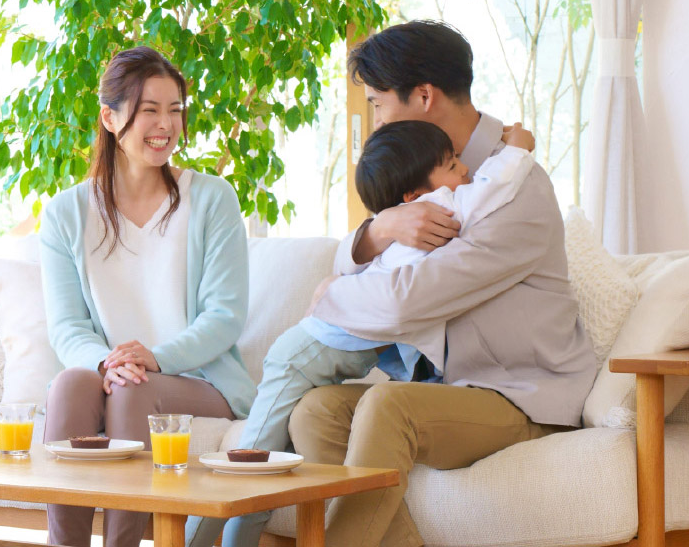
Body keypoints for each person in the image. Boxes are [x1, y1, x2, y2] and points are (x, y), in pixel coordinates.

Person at [183, 117, 536, 546]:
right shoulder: (438, 208)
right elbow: (492, 187)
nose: (465, 170)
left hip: (308, 351)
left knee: (258, 465)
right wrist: (517, 147)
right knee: (248, 468)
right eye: (451, 164)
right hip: (300, 357)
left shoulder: (412, 220)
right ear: (413, 197)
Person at [37, 46, 257, 547]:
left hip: (199, 380)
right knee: (70, 384)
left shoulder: (212, 199)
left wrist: (153, 358)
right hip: (112, 376)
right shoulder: (66, 213)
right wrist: (106, 364)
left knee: (134, 389)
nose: (166, 125)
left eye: (175, 110)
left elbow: (224, 316)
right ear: (110, 118)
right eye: (149, 110)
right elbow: (67, 327)